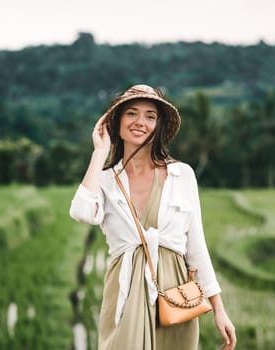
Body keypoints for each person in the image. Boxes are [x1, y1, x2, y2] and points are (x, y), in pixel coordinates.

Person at [69, 84, 236, 350]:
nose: (140, 122)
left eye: (150, 116)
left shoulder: (182, 175)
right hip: (124, 294)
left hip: (174, 296)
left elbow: (197, 247)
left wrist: (219, 309)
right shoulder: (105, 180)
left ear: (158, 126)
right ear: (117, 121)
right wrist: (99, 152)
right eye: (131, 113)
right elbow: (80, 212)